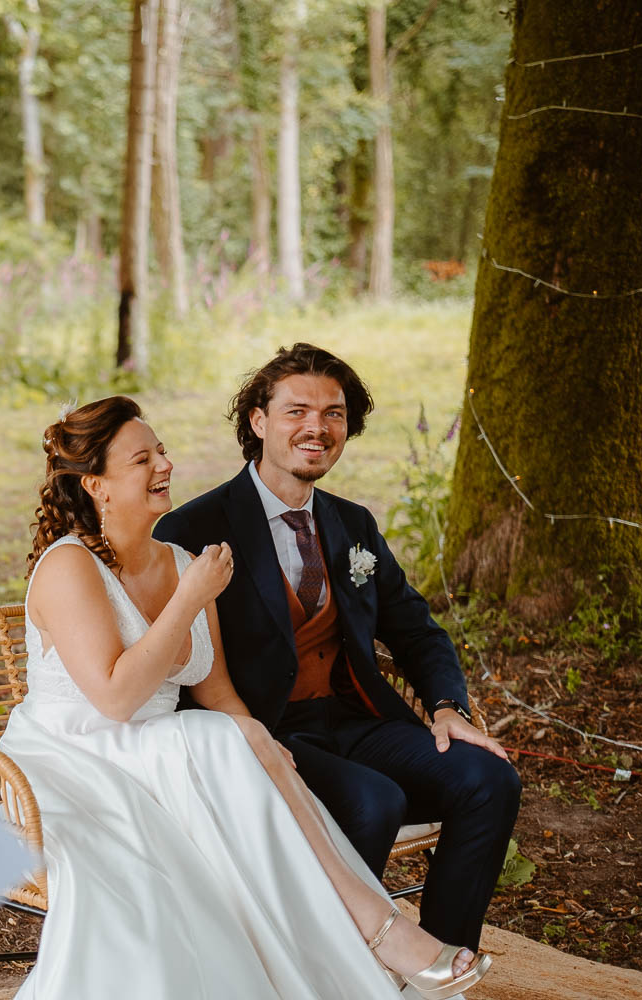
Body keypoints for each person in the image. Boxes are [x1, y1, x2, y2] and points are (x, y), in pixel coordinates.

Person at [0, 396, 491, 1000]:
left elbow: (219, 692)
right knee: (225, 742)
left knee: (246, 741)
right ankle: (381, 932)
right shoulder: (70, 567)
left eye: (163, 451)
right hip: (74, 760)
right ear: (96, 484)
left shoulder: (182, 562)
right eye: (142, 459)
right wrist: (190, 598)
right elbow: (116, 699)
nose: (165, 466)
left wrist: (265, 751)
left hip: (156, 757)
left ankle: (369, 935)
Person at [154, 343, 522, 953]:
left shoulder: (353, 525)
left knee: (488, 779)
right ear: (258, 420)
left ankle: (437, 965)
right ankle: (327, 969)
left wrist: (449, 706)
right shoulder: (193, 529)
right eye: (297, 410)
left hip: (357, 717)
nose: (317, 428)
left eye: (335, 414)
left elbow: (415, 629)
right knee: (373, 802)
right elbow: (177, 663)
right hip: (265, 732)